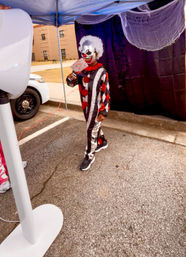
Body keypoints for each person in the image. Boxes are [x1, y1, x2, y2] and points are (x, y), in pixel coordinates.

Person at [66, 35, 110, 171]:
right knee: (93, 127)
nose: (85, 56)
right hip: (85, 106)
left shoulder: (102, 71)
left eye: (89, 53)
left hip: (97, 108)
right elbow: (70, 83)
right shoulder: (81, 67)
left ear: (97, 53)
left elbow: (106, 93)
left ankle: (89, 155)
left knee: (91, 129)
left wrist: (103, 111)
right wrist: (72, 76)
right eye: (83, 53)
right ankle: (102, 141)